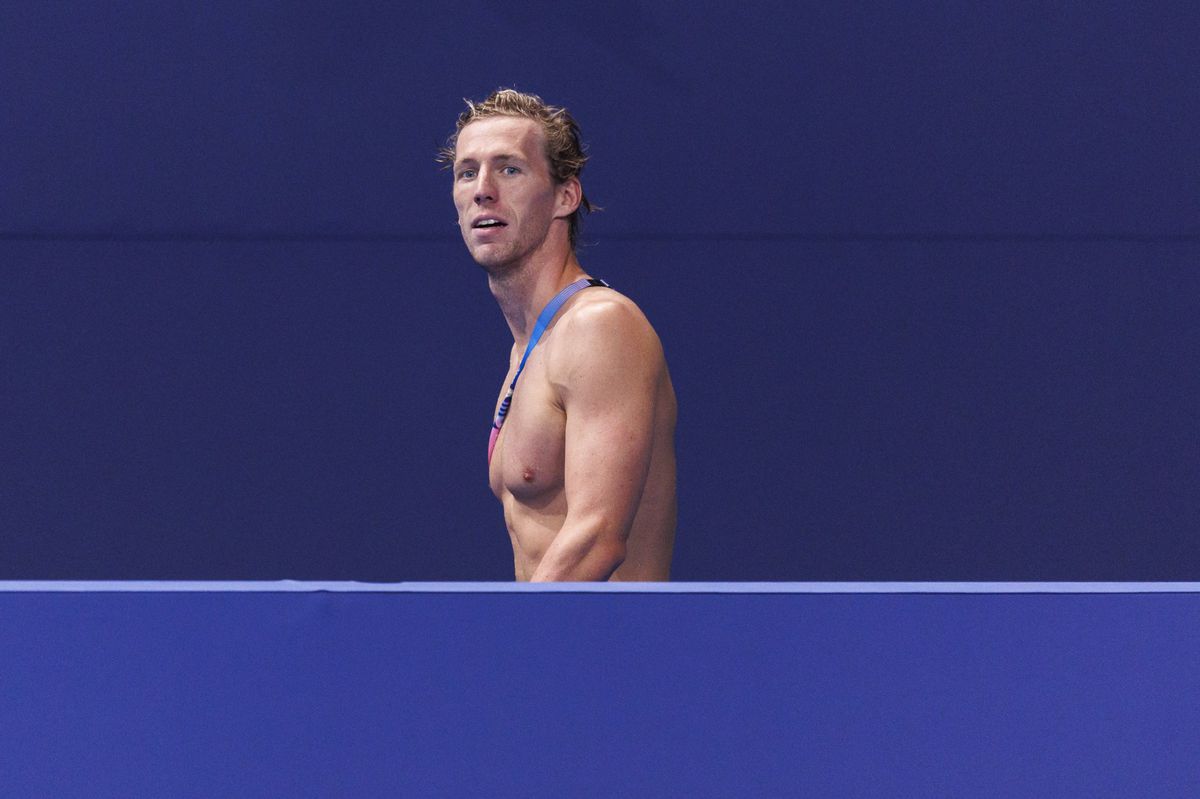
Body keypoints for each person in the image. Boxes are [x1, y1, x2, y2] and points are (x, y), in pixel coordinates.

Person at [439, 89, 676, 581]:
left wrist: (511, 647)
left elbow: (597, 535)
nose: (483, 189)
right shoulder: (530, 347)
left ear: (565, 196)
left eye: (509, 169)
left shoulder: (599, 325)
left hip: (614, 653)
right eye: (468, 172)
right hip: (559, 646)